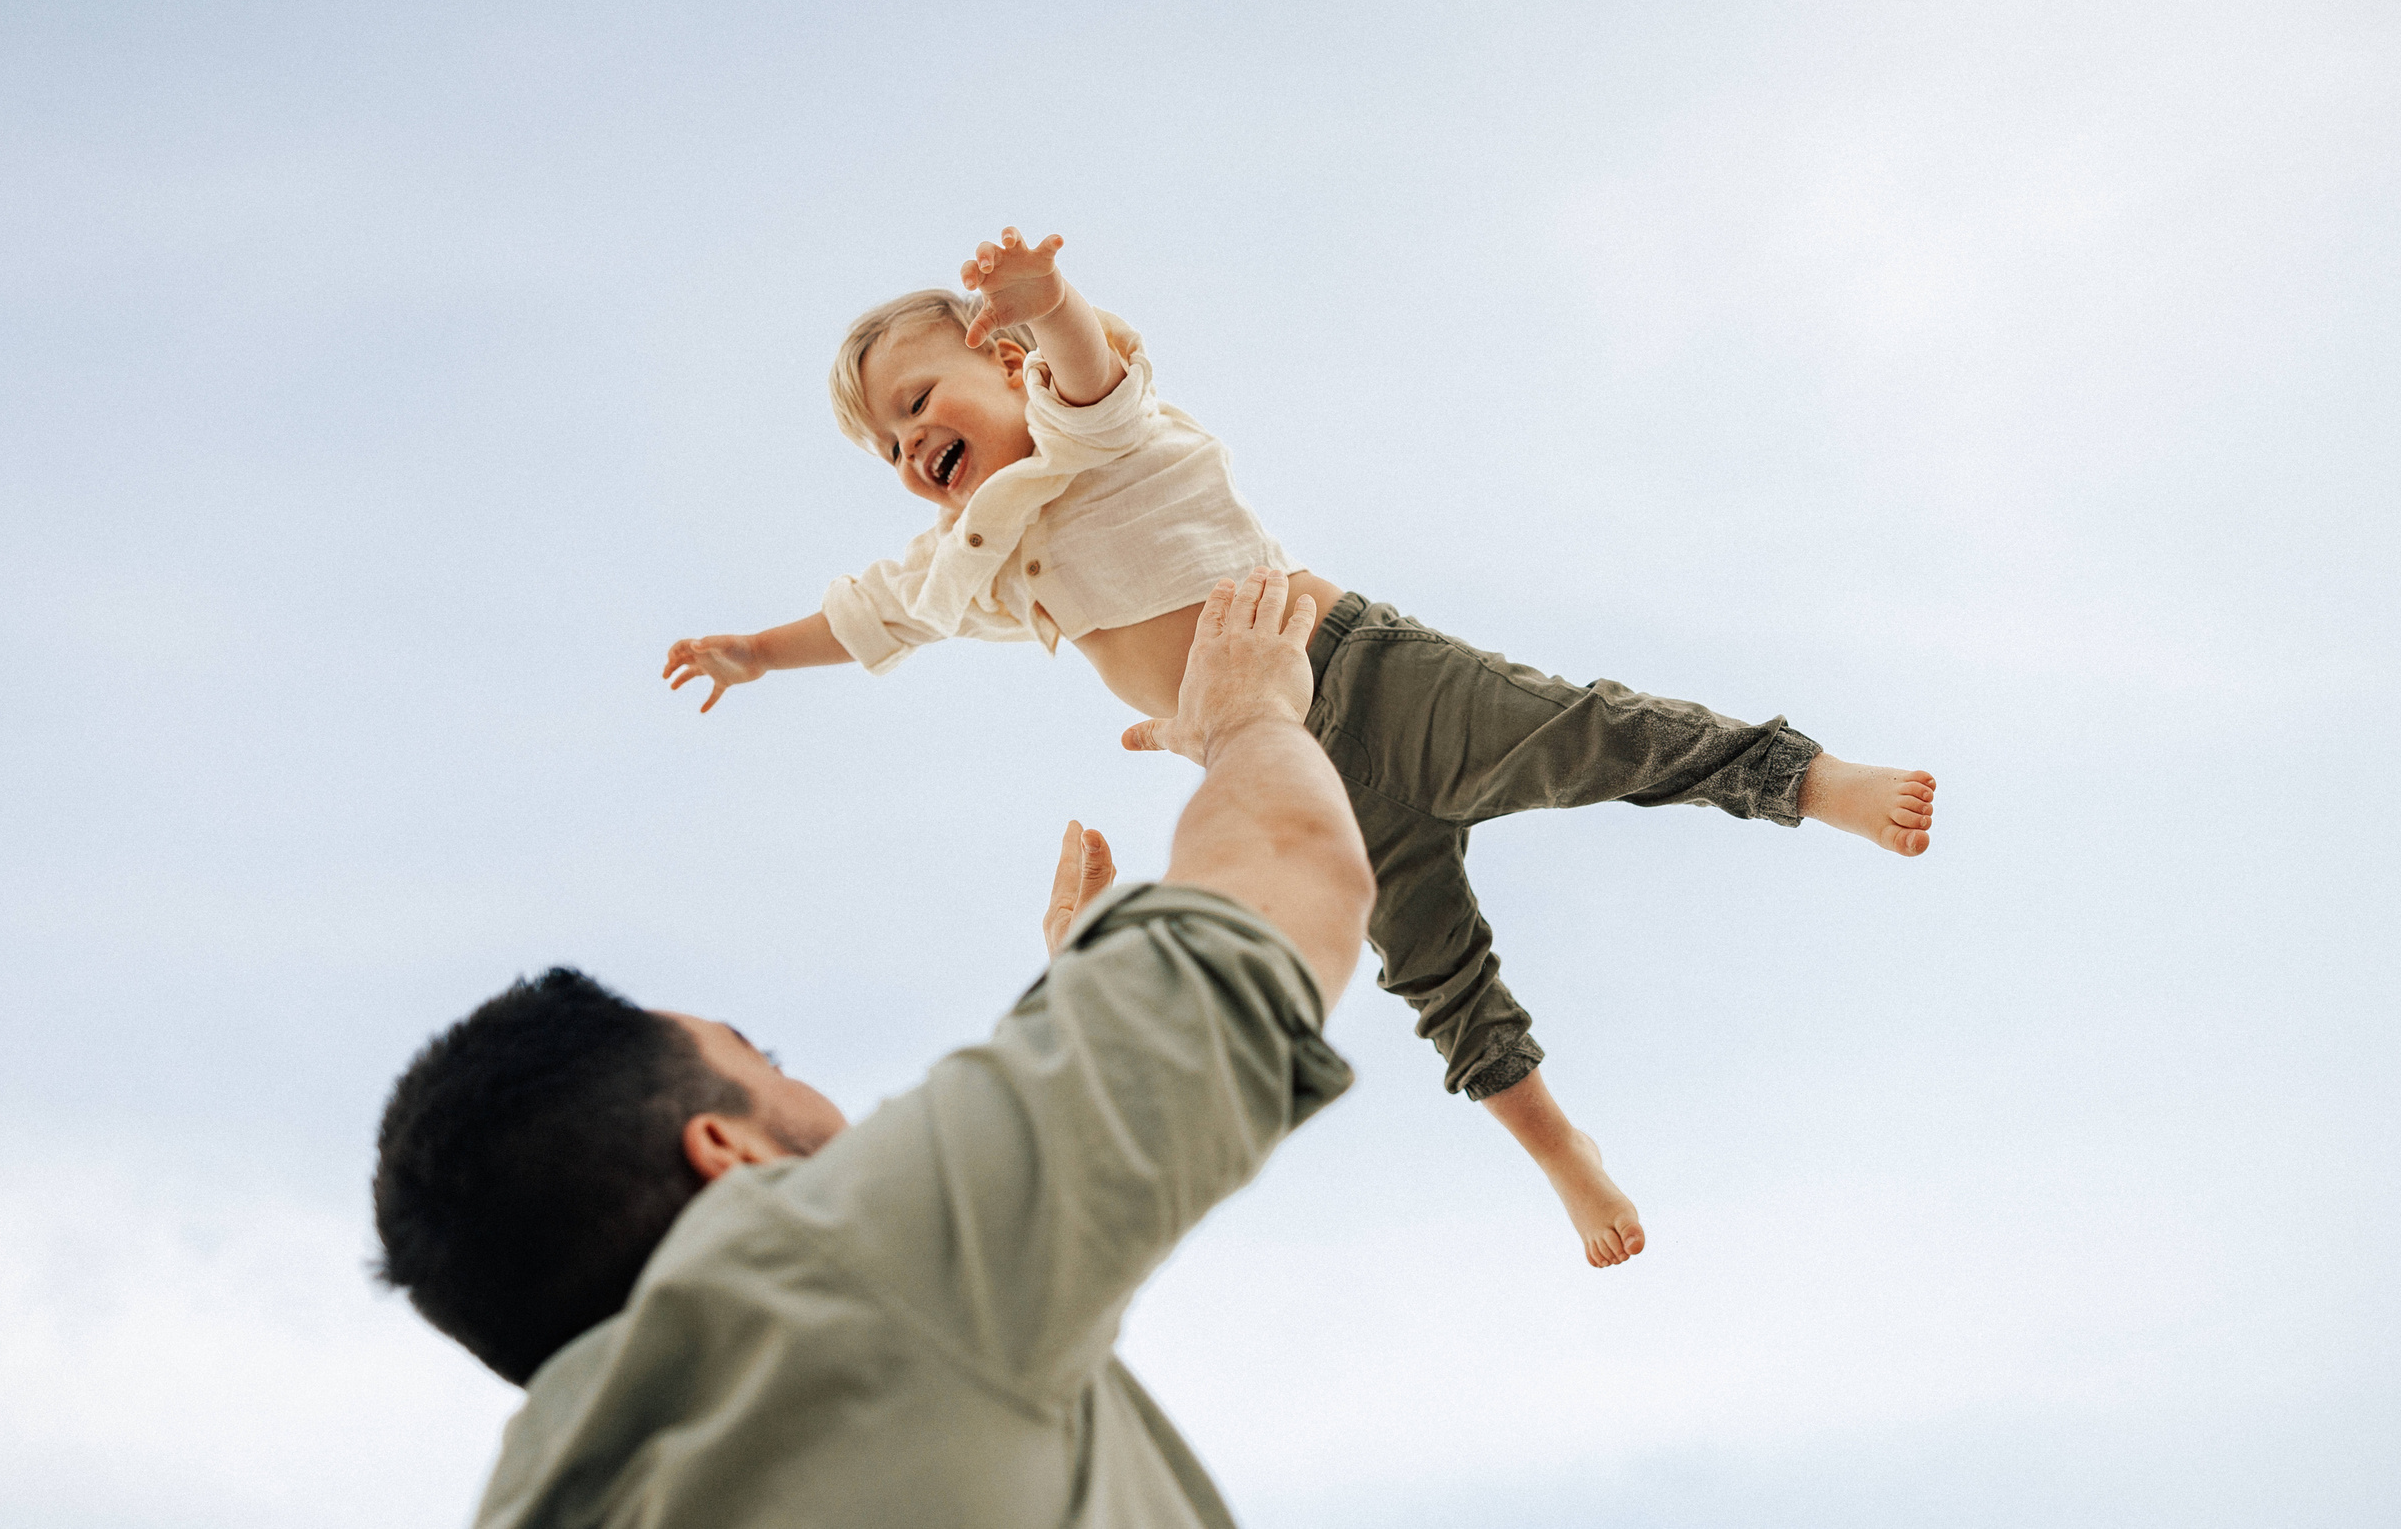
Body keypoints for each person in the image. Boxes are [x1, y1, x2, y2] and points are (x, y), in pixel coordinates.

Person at [661, 229, 1938, 1269]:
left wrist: (1049, 301)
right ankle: (1554, 1143)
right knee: (1434, 968)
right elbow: (868, 612)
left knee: (1592, 735)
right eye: (884, 449)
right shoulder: (973, 567)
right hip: (1281, 769)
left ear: (999, 360)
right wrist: (754, 654)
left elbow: (1085, 366)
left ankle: (1808, 778)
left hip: (1366, 679)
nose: (905, 451)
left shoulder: (1087, 428)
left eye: (915, 405)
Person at [376, 570, 1377, 1528]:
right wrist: (1243, 715)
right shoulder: (853, 1277)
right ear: (725, 1150)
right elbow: (1289, 872)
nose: (805, 1082)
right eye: (760, 1055)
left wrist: (1093, 1006)